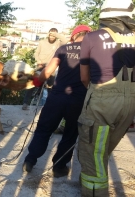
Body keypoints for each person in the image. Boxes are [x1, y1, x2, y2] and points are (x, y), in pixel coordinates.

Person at [78, 0, 135, 196]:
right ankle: (90, 177)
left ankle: (94, 191)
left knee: (93, 149)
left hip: (103, 99)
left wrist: (95, 94)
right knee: (106, 145)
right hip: (131, 103)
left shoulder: (92, 37)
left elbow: (84, 77)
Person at [22, 25, 91, 178]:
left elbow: (47, 71)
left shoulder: (64, 48)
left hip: (56, 98)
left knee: (43, 129)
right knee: (70, 134)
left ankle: (30, 160)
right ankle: (59, 167)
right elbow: (86, 78)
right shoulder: (92, 52)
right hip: (77, 100)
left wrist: (38, 82)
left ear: (73, 36)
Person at [22, 28, 68, 110]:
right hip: (40, 67)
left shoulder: (58, 43)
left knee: (50, 88)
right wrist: (39, 61)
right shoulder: (42, 42)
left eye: (54, 35)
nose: (52, 37)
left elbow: (65, 41)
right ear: (48, 34)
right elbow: (36, 53)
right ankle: (25, 103)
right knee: (32, 85)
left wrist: (56, 34)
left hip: (51, 68)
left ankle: (50, 106)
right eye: (51, 34)